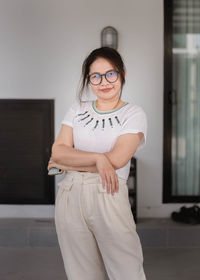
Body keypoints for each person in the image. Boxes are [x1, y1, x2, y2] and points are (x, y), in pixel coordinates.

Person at [47, 47, 147, 280]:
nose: (104, 82)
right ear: (88, 80)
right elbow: (57, 150)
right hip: (70, 196)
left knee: (127, 272)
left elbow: (117, 160)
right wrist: (98, 158)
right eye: (96, 76)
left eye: (110, 74)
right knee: (81, 274)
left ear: (122, 74)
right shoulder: (77, 109)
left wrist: (70, 162)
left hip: (108, 193)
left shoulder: (133, 113)